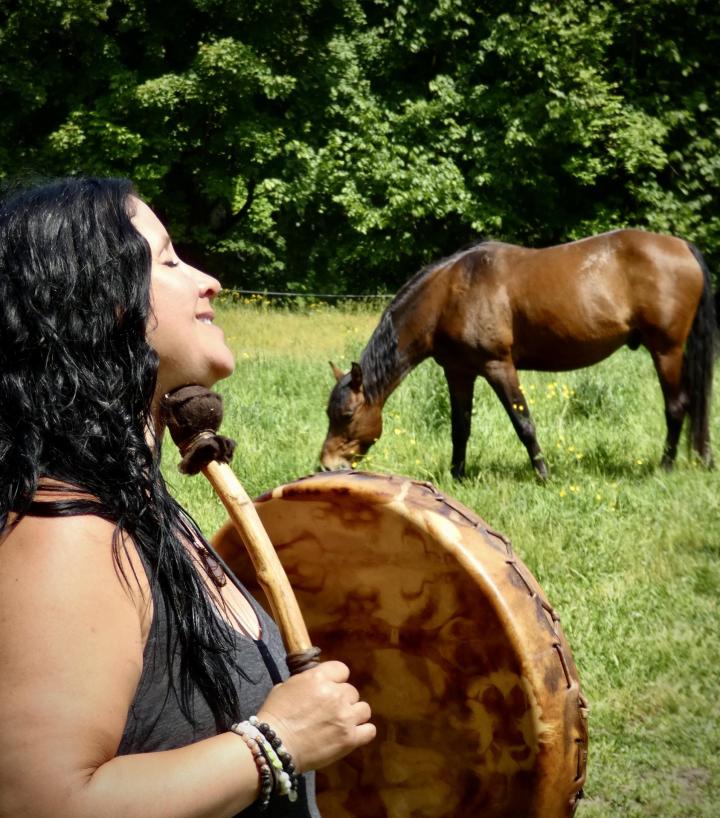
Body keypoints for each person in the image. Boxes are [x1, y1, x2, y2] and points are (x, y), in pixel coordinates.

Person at [0, 177, 375, 817]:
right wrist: (274, 744)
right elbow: (39, 801)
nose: (209, 281)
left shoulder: (134, 505)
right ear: (104, 299)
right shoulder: (64, 534)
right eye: (169, 259)